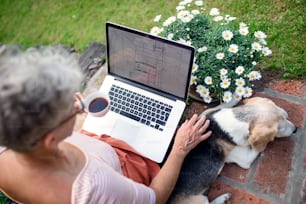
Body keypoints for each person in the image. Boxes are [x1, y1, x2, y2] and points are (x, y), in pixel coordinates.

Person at [0, 46, 211, 204]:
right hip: (126, 171)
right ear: (50, 138)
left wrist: (61, 110)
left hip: (98, 151)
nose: (78, 104)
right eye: (70, 107)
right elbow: (155, 199)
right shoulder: (94, 186)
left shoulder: (7, 147)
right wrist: (180, 148)